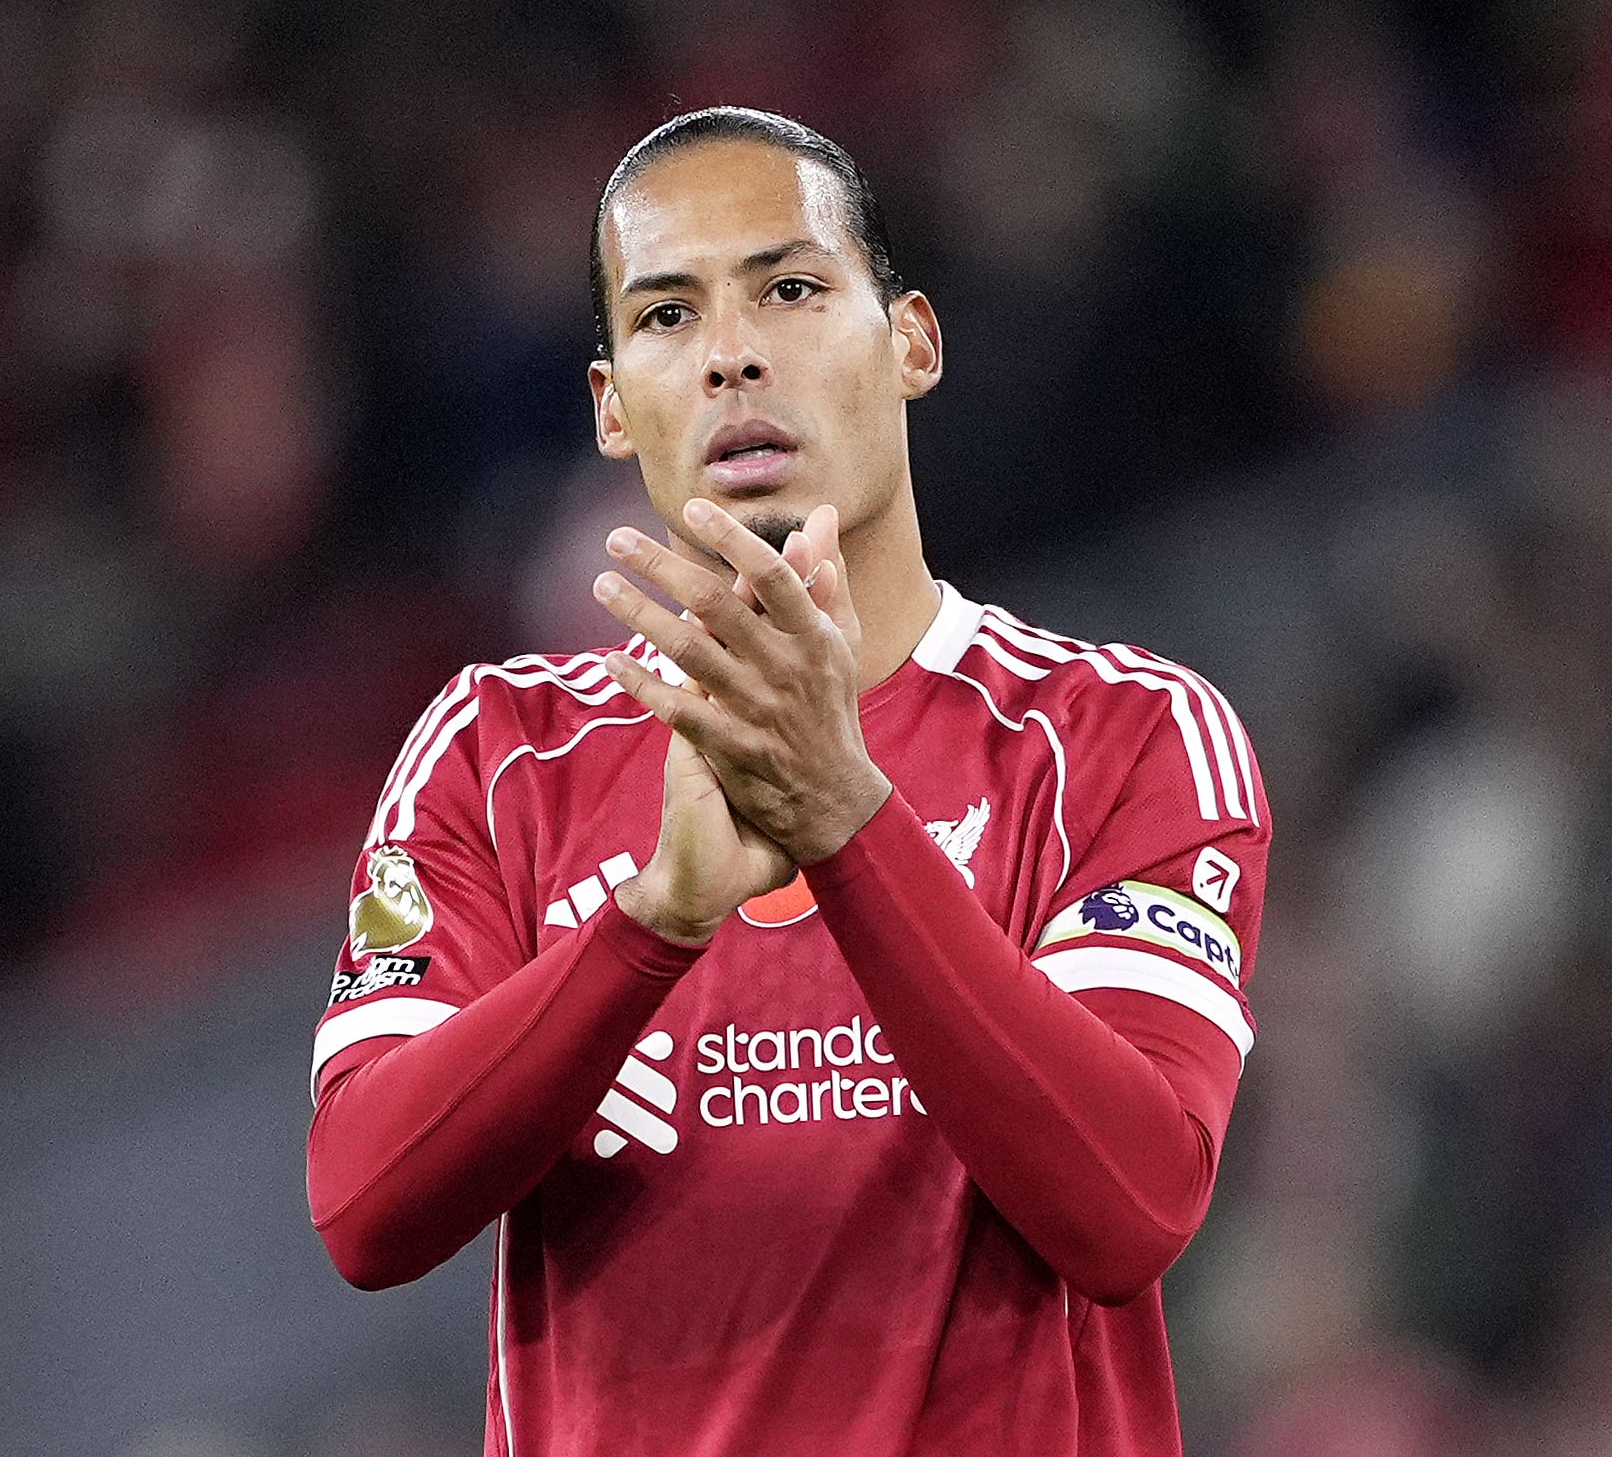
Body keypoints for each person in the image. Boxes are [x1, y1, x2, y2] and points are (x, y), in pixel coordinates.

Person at [305, 106, 1270, 1456]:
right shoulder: (498, 751)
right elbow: (363, 1206)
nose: (733, 355)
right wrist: (650, 928)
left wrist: (845, 822)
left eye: (793, 288)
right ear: (608, 404)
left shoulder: (1118, 733)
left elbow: (1130, 1206)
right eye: (666, 318)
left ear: (914, 341)